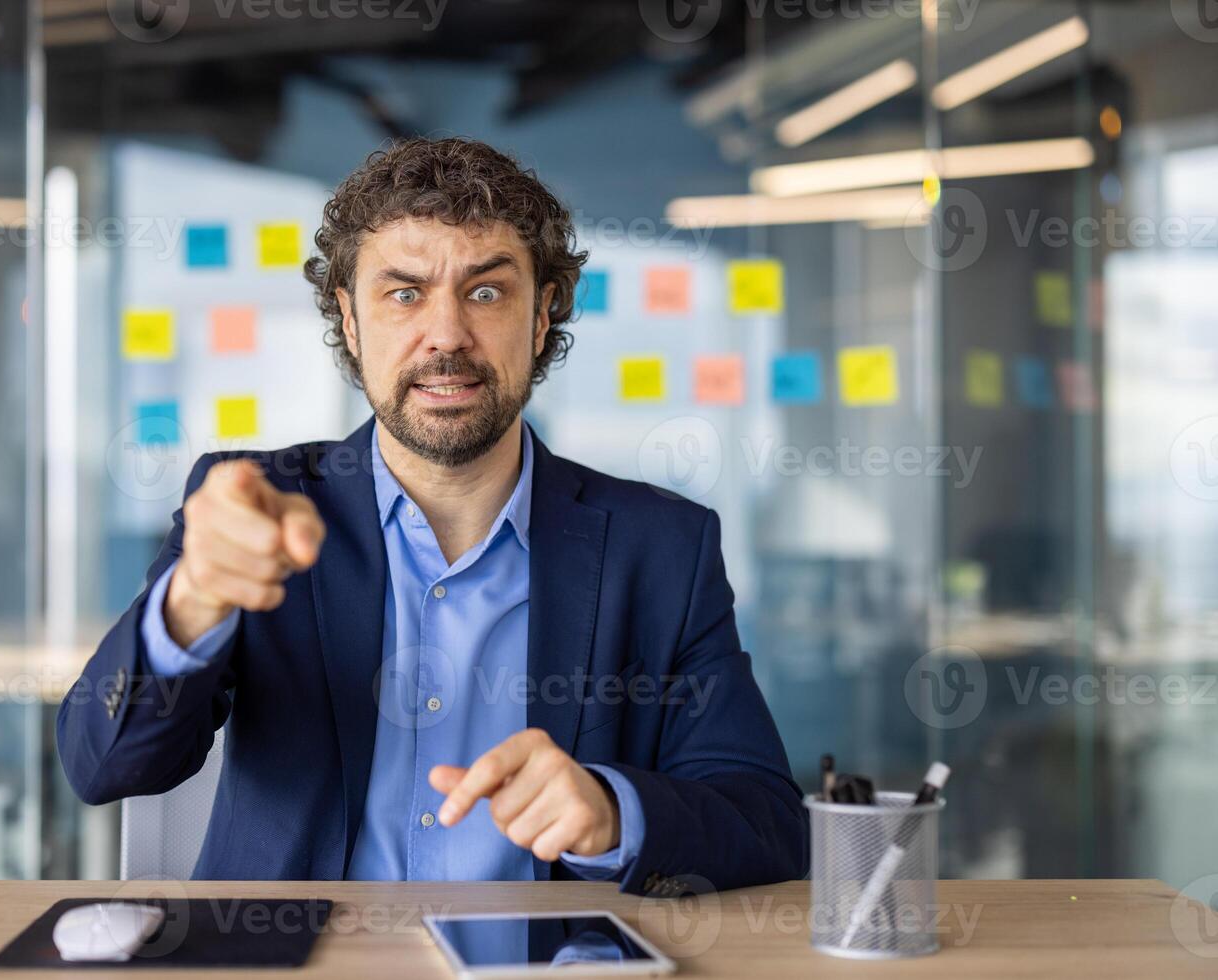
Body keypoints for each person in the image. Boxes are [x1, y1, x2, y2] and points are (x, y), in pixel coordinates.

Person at [58, 137, 808, 897]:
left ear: (543, 315)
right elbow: (103, 765)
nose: (446, 335)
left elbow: (767, 823)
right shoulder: (251, 506)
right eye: (404, 293)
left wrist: (614, 812)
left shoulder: (662, 550)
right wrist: (190, 603)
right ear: (350, 320)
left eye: (485, 292)